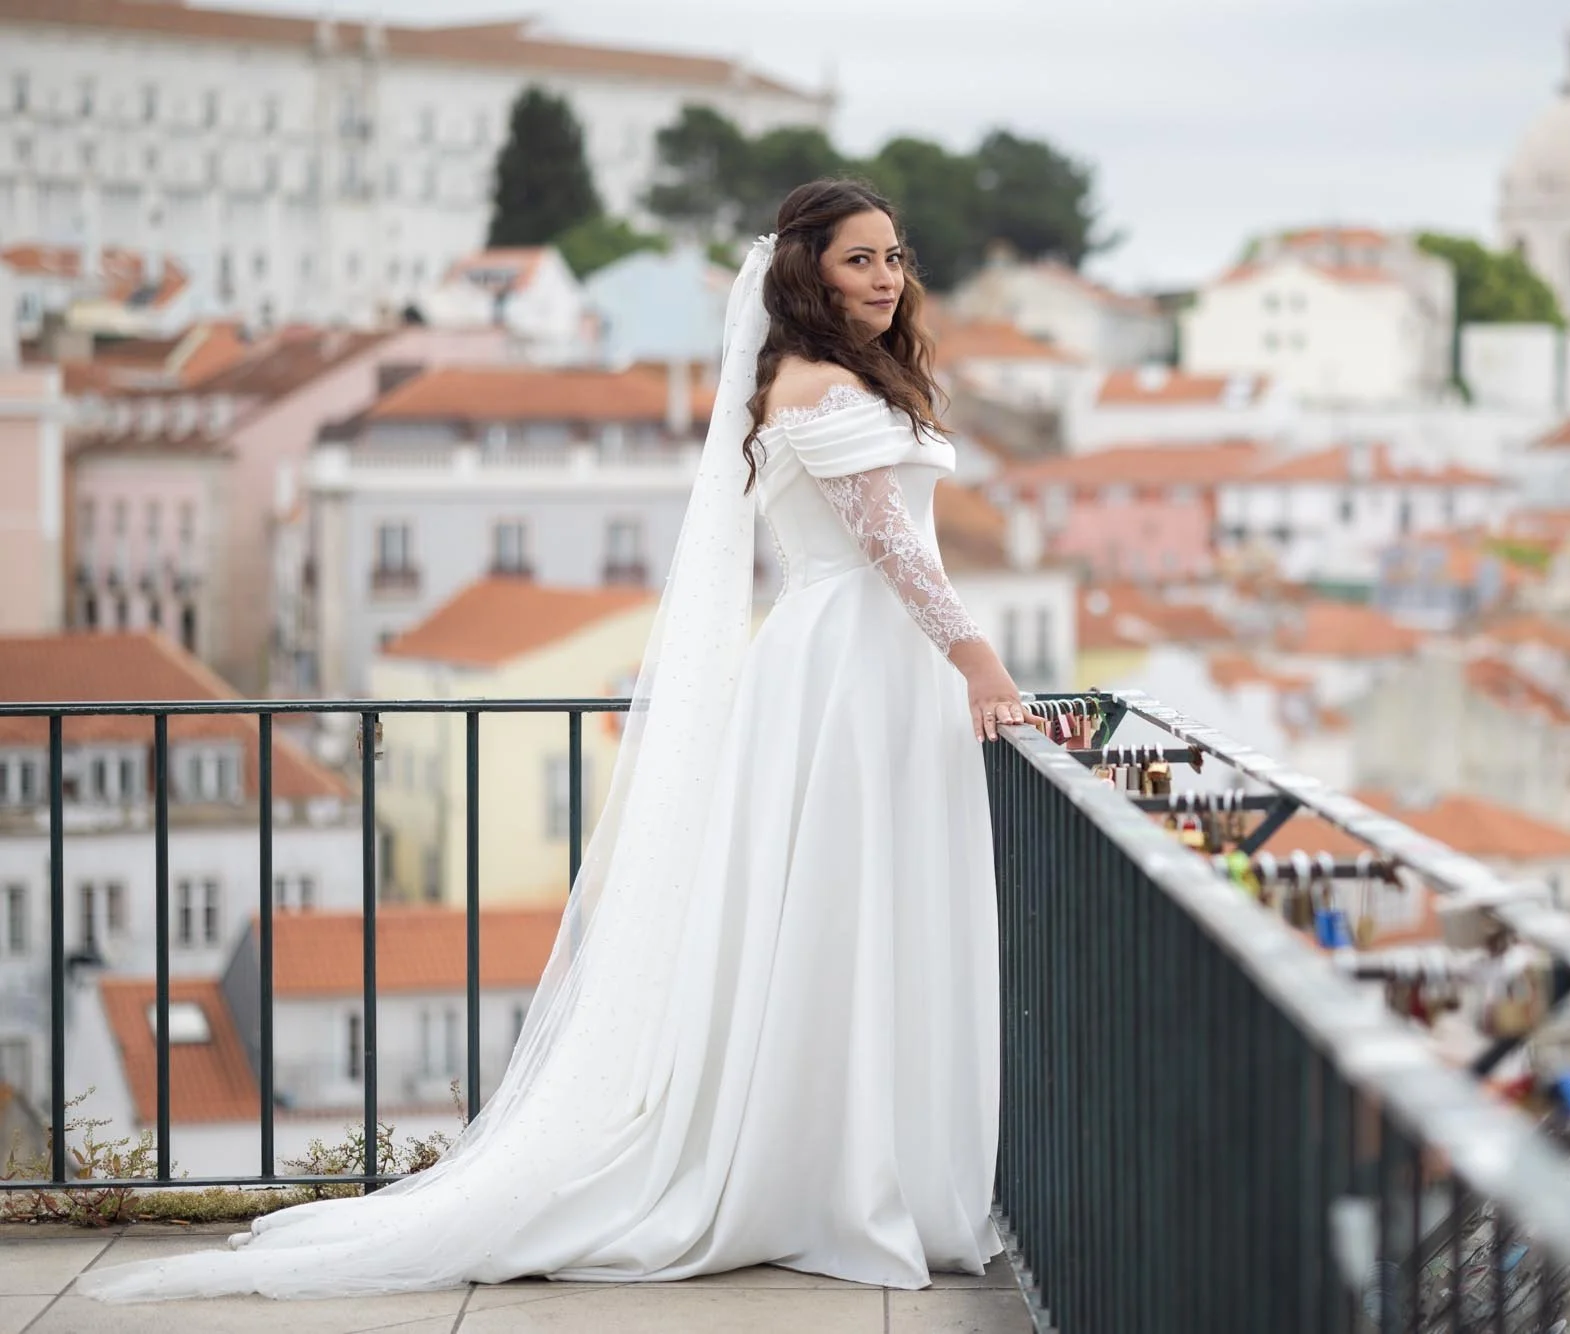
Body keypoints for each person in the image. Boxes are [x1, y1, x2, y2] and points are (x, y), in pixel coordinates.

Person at [81, 178, 1028, 1302]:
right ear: (804, 275)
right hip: (846, 661)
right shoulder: (811, 383)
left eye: (894, 255)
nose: (886, 276)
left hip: (873, 662)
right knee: (836, 906)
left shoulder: (853, 376)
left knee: (866, 907)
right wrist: (979, 658)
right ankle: (833, 1172)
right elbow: (891, 546)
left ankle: (874, 1164)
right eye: (859, 259)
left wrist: (952, 658)